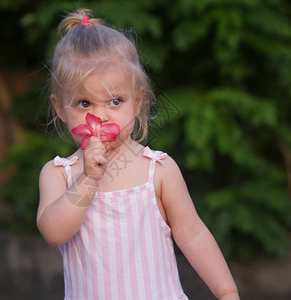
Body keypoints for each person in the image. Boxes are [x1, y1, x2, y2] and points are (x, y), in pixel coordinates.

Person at [37, 8, 240, 300]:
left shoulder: (158, 170)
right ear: (60, 108)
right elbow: (54, 232)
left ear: (137, 101)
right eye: (83, 103)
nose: (101, 115)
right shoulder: (60, 175)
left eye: (115, 101)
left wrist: (227, 291)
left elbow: (193, 234)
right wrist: (88, 179)